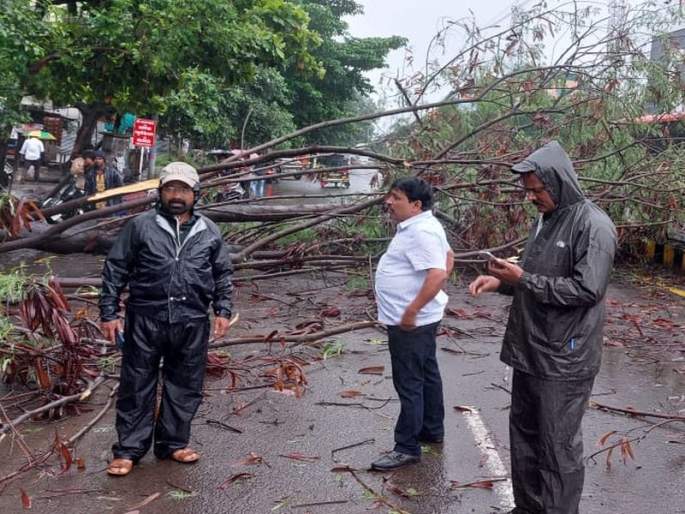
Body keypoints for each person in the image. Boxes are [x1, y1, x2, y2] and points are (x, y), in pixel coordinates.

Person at [468, 141, 617, 514]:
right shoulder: (547, 221)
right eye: (528, 191)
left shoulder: (593, 226)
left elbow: (587, 289)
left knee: (557, 448)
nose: (532, 197)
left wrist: (522, 279)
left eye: (538, 189)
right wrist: (503, 283)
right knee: (525, 438)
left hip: (565, 359)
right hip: (530, 350)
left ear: (560, 182)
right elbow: (538, 276)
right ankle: (528, 508)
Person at [99, 162, 234, 476]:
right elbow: (115, 269)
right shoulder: (140, 226)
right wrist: (109, 313)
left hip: (192, 320)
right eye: (170, 188)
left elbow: (222, 273)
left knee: (185, 385)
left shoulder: (208, 230)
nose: (176, 195)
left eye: (183, 189)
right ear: (160, 192)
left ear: (195, 194)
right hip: (146, 317)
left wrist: (223, 309)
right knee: (136, 385)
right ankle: (129, 450)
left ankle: (173, 443)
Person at [371, 177, 454, 471]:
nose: (388, 202)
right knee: (427, 374)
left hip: (412, 322)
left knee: (409, 382)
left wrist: (412, 310)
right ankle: (432, 430)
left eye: (396, 197)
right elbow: (448, 258)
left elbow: (437, 273)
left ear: (416, 205)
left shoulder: (421, 231)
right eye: (390, 196)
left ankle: (406, 447)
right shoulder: (424, 226)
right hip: (421, 319)